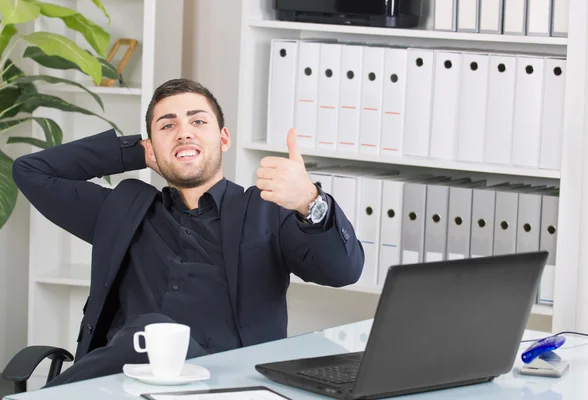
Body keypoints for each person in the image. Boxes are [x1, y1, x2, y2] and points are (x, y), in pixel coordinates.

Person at [11, 78, 364, 387]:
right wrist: (136, 150)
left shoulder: (267, 209)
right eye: (167, 126)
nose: (184, 132)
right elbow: (31, 171)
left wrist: (310, 201)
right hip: (125, 384)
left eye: (198, 121)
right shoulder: (121, 209)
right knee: (143, 335)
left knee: (147, 331)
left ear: (223, 138)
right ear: (150, 147)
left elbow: (342, 271)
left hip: (228, 385)